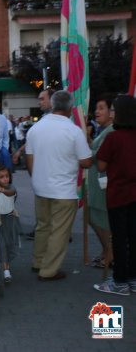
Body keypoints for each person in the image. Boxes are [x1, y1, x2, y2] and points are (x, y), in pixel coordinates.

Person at [25, 90, 92, 281]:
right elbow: (86, 162)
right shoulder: (74, 131)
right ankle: (49, 270)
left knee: (43, 227)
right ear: (70, 108)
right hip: (63, 190)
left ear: (53, 105)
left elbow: (29, 159)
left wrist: (36, 178)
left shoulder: (36, 128)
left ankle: (38, 262)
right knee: (59, 232)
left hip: (41, 186)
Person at [94, 95, 136, 296]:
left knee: (119, 238)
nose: (111, 113)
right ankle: (134, 279)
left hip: (118, 195)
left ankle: (120, 281)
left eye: (112, 109)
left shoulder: (113, 138)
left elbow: (101, 165)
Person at [86, 94, 115, 269]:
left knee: (102, 220)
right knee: (93, 218)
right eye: (96, 108)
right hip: (97, 184)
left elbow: (98, 156)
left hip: (103, 184)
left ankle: (110, 253)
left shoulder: (111, 131)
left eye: (101, 108)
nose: (97, 112)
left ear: (111, 112)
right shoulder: (103, 131)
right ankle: (107, 251)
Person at [0, 164, 21, 283]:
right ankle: (6, 270)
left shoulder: (11, 188)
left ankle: (6, 265)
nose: (5, 179)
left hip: (10, 220)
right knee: (1, 244)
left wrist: (3, 190)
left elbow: (11, 192)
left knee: (10, 244)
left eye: (7, 176)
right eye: (1, 177)